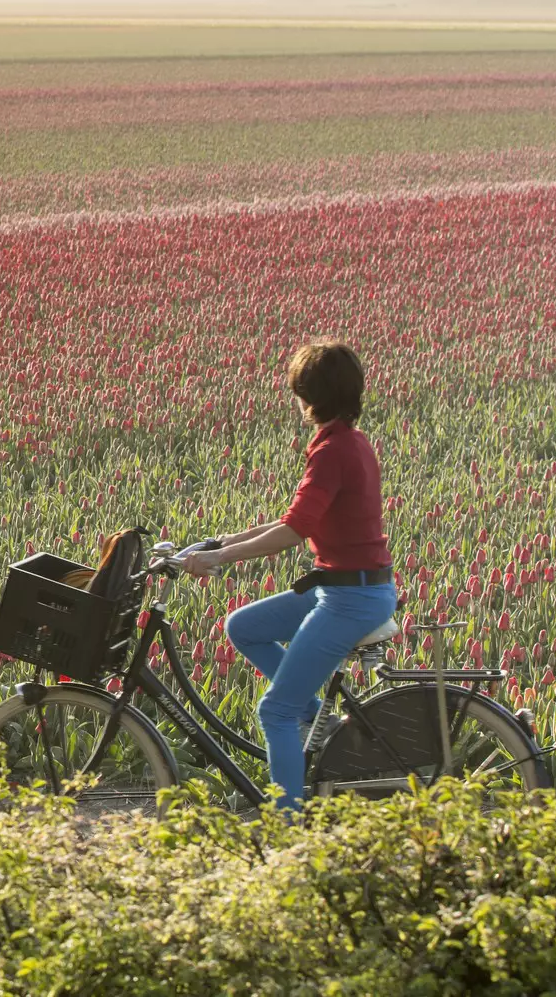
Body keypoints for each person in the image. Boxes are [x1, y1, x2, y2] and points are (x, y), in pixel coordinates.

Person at [179, 340, 396, 811]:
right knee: (243, 626)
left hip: (349, 600)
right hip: (349, 588)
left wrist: (224, 560)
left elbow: (294, 532)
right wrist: (219, 543)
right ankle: (322, 724)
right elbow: (293, 519)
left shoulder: (333, 451)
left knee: (274, 711)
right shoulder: (349, 442)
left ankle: (287, 826)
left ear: (309, 398)